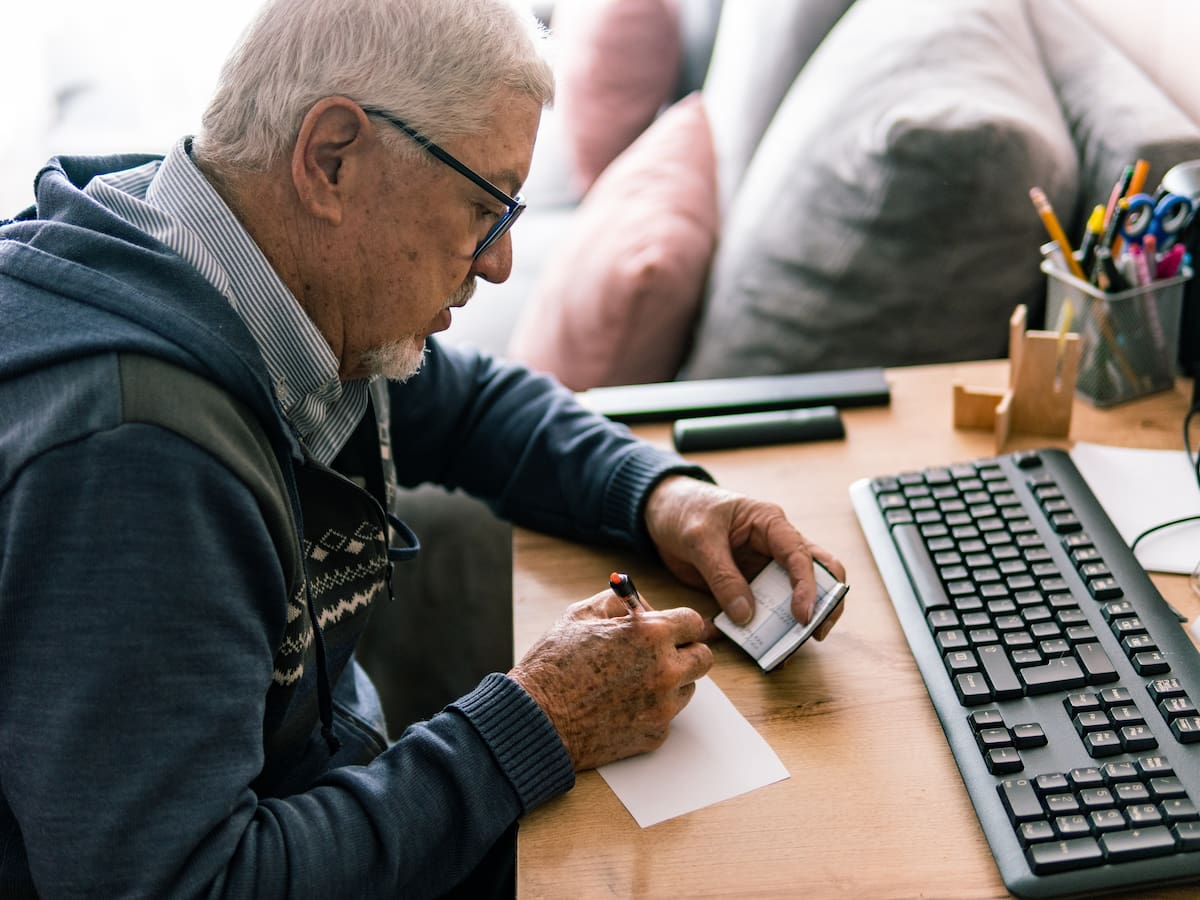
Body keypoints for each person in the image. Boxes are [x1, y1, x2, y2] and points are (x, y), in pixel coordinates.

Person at [0, 0, 846, 896]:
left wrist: (659, 495)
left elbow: (472, 402)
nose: (499, 264)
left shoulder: (254, 266)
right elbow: (193, 884)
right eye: (483, 206)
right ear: (332, 159)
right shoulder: (133, 462)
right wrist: (537, 718)